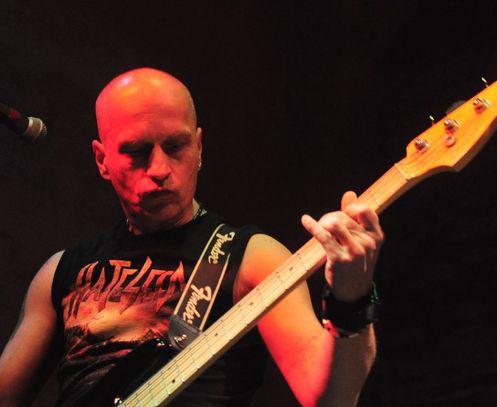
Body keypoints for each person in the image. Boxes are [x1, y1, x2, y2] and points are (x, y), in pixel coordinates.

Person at [0, 68, 384, 407]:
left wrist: (351, 297)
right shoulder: (61, 272)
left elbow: (333, 399)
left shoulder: (251, 258)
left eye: (175, 146)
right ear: (102, 160)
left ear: (199, 147)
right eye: (137, 152)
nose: (159, 169)